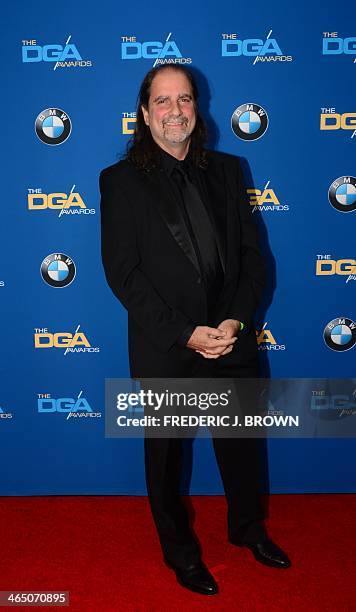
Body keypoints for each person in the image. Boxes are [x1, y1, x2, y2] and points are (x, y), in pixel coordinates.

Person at [100, 64, 291, 596]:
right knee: (166, 458)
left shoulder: (230, 170)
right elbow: (124, 274)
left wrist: (232, 321)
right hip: (169, 346)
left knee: (241, 446)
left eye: (184, 100)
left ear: (197, 108)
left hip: (231, 337)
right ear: (144, 113)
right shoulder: (120, 182)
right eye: (162, 101)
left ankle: (248, 530)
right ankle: (180, 553)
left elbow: (254, 258)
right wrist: (186, 333)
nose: (175, 111)